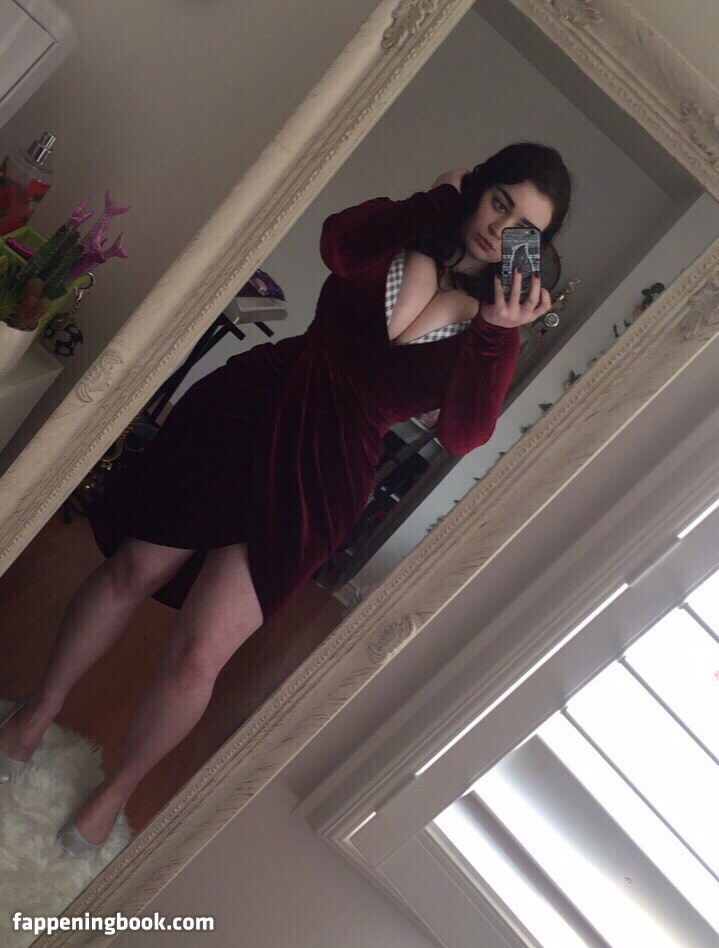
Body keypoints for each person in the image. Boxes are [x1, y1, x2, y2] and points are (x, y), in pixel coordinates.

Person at [0, 141, 572, 850]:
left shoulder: (494, 327)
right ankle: (34, 713)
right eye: (499, 202)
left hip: (325, 474)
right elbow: (338, 242)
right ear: (478, 187)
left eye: (525, 229)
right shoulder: (408, 229)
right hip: (254, 403)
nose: (500, 228)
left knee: (200, 652)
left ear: (536, 250)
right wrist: (432, 200)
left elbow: (462, 433)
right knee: (132, 570)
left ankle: (114, 793)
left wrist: (496, 334)